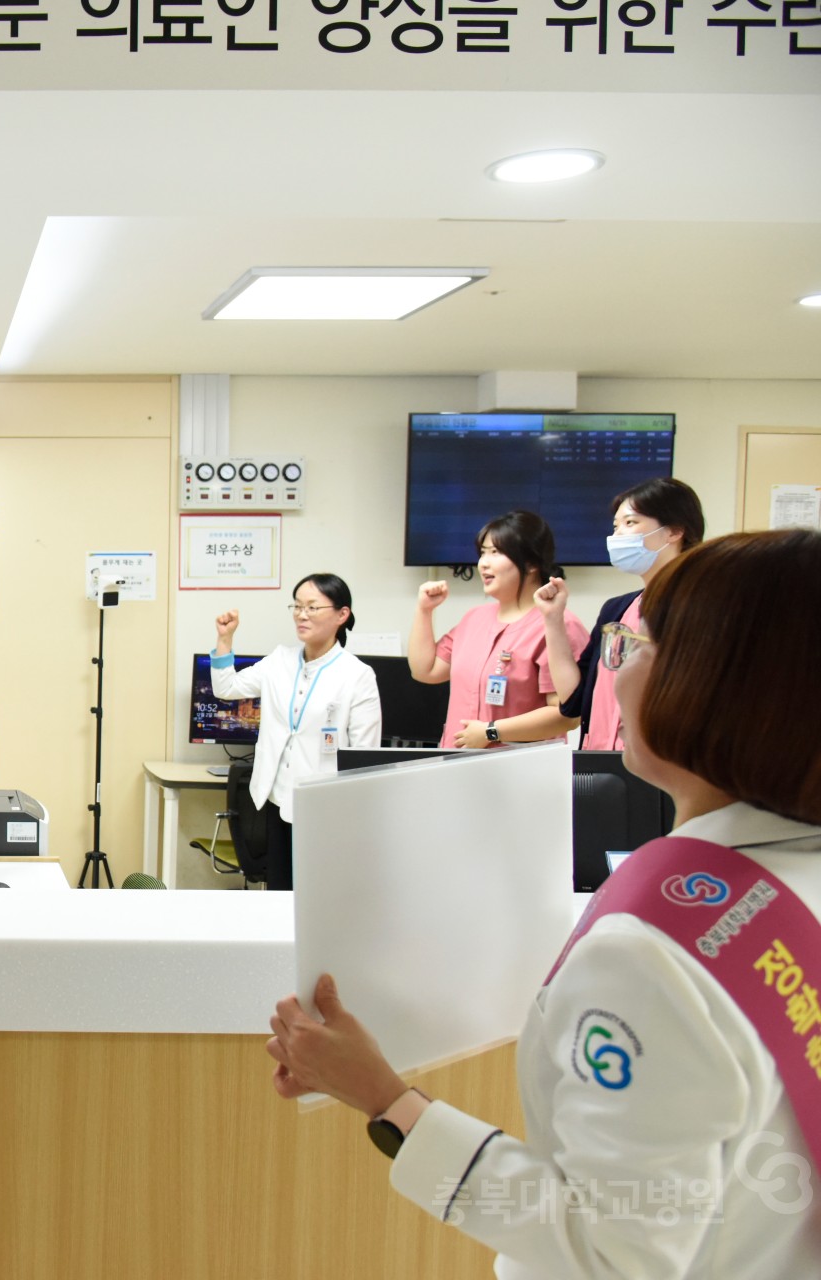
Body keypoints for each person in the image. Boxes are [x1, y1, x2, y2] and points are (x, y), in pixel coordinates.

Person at [267, 530, 821, 1279]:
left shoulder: (648, 958)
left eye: (633, 643)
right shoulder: (776, 881)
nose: (612, 665)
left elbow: (612, 1254)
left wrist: (384, 1098)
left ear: (708, 685)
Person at [210, 573, 382, 891]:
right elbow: (226, 688)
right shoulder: (279, 661)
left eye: (312, 607)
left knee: (316, 895)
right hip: (276, 800)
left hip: (325, 809)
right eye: (297, 606)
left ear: (342, 615)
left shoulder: (357, 675)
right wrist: (225, 639)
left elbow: (363, 756)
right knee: (280, 892)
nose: (302, 615)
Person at [536, 478, 705, 750]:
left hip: (661, 763)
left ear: (674, 531)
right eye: (616, 526)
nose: (618, 535)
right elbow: (573, 702)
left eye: (630, 522)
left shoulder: (702, 608)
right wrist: (553, 618)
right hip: (600, 760)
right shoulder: (617, 610)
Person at [407, 509, 588, 750]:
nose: (484, 563)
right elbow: (426, 671)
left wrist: (491, 731)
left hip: (520, 766)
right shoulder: (474, 618)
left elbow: (568, 715)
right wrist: (424, 610)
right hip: (455, 761)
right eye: (483, 552)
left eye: (496, 552)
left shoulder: (558, 624)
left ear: (531, 563)